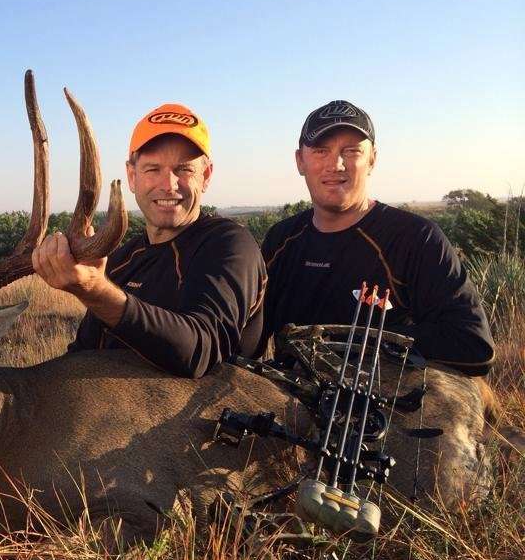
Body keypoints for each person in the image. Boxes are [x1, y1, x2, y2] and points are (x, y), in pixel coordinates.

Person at [260, 100, 494, 376]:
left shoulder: (416, 239)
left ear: (372, 159)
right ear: (300, 161)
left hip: (380, 407)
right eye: (321, 151)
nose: (335, 164)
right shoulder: (281, 240)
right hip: (287, 400)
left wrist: (354, 344)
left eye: (351, 151)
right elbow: (252, 335)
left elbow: (474, 346)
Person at [32, 103, 266, 378]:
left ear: (206, 176)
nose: (168, 184)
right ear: (132, 177)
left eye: (184, 169)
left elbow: (200, 351)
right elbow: (83, 354)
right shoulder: (121, 261)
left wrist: (95, 291)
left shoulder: (229, 245)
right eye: (152, 169)